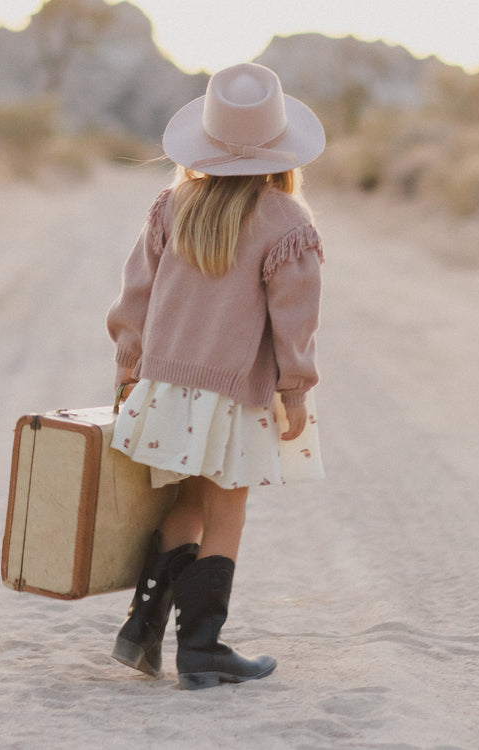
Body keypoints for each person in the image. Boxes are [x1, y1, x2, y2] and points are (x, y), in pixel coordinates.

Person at [106, 62, 326, 690]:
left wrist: (129, 369)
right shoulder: (287, 221)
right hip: (233, 392)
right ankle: (202, 649)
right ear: (281, 151)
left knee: (185, 501)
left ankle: (140, 629)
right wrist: (295, 390)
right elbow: (295, 322)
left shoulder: (174, 204)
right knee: (227, 509)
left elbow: (134, 300)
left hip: (166, 388)